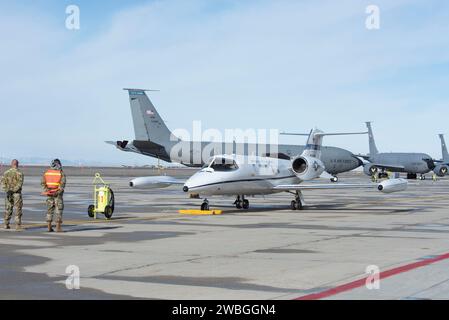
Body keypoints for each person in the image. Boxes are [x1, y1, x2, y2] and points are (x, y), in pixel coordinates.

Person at [41, 159, 66, 232]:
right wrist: (57, 192)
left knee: (49, 210)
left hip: (49, 194)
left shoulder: (46, 173)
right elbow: (62, 185)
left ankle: (49, 227)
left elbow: (43, 183)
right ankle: (58, 228)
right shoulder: (61, 173)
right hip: (57, 195)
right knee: (59, 210)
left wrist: (47, 190)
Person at [1, 160, 24, 231]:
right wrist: (14, 190)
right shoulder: (20, 173)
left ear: (11, 164)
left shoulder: (6, 173)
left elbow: (2, 183)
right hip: (16, 193)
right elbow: (20, 184)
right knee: (17, 209)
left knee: (8, 208)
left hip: (8, 193)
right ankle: (17, 225)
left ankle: (6, 224)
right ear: (17, 164)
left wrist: (7, 190)